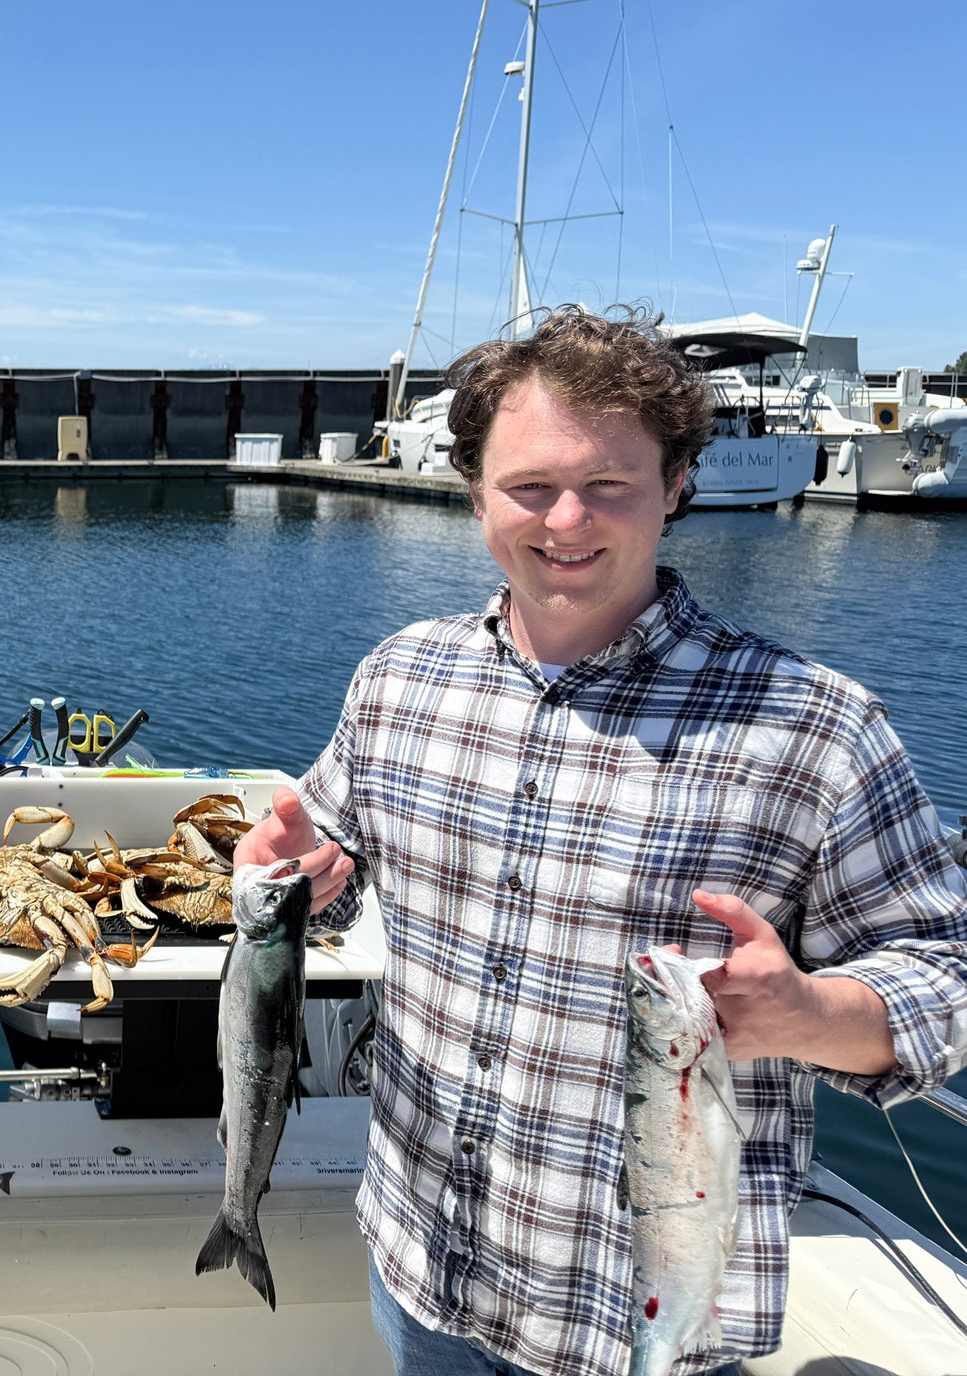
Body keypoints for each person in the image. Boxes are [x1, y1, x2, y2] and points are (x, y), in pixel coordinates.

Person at [241, 307, 967, 1376]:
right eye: (529, 486)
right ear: (475, 487)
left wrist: (815, 1014)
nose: (566, 519)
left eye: (610, 486)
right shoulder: (400, 678)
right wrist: (298, 875)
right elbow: (336, 879)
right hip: (419, 1262)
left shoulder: (815, 725)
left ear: (676, 487)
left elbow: (946, 977)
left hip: (638, 1317)